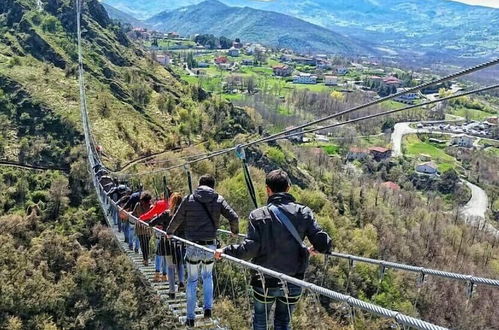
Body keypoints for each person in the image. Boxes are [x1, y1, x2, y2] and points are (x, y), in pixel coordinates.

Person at [215, 169, 332, 330]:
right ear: (288, 188)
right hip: (293, 279)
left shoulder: (257, 215)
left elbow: (250, 249)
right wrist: (315, 248)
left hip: (263, 281)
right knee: (284, 323)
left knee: (260, 322)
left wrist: (226, 251)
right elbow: (322, 241)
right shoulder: (303, 212)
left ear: (267, 189)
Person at [167, 174, 239, 327]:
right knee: (207, 276)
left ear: (199, 184)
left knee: (192, 281)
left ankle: (191, 318)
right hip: (210, 246)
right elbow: (234, 217)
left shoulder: (189, 198)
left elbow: (177, 218)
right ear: (213, 186)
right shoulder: (218, 199)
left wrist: (169, 232)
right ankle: (208, 309)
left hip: (192, 245)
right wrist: (234, 231)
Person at [150, 193, 185, 297]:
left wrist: (160, 224)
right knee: (180, 263)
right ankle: (181, 281)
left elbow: (152, 222)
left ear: (171, 202)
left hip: (168, 243)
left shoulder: (166, 213)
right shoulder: (185, 214)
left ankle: (172, 291)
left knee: (170, 266)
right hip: (181, 243)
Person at [136, 192, 154, 266]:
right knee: (146, 244)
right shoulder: (151, 207)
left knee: (143, 244)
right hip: (148, 229)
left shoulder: (138, 205)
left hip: (140, 229)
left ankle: (145, 259)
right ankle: (145, 258)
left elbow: (134, 214)